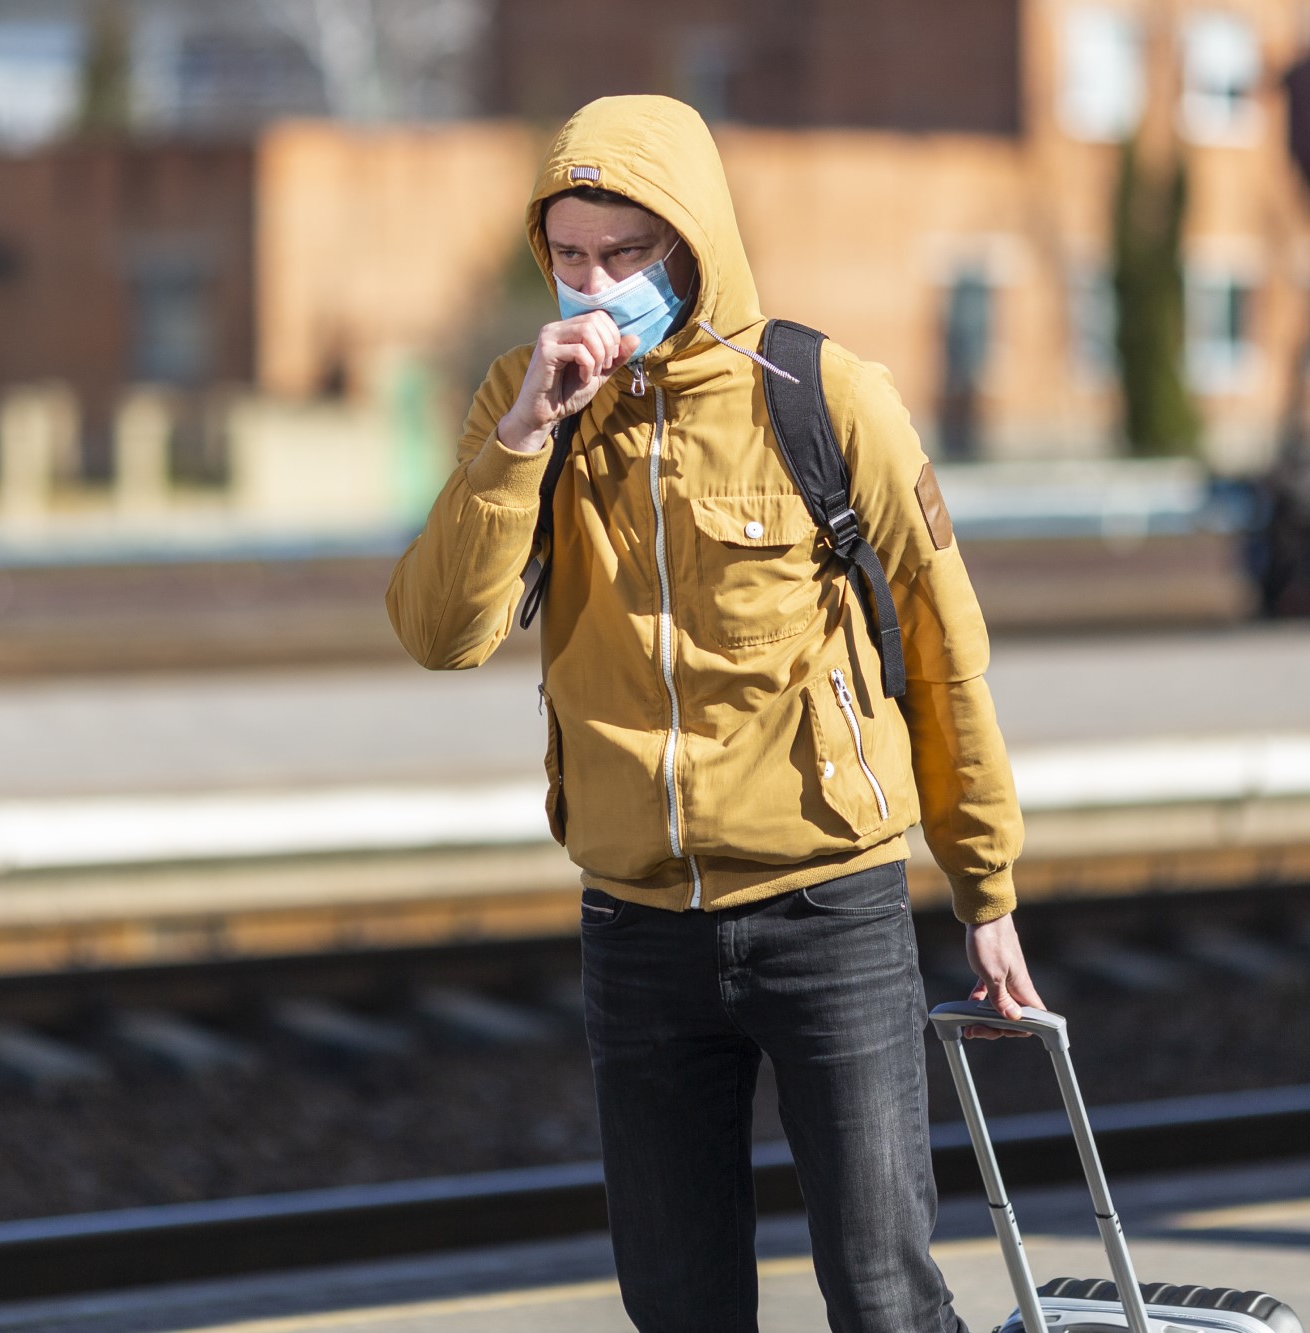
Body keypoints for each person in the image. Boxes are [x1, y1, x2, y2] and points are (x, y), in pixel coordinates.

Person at [385, 95, 1042, 1333]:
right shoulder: (523, 402)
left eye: (627, 254)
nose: (595, 285)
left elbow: (941, 649)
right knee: (677, 1304)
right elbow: (439, 631)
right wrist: (523, 436)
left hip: (826, 909)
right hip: (635, 928)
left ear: (691, 246)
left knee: (884, 1297)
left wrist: (983, 885)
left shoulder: (822, 394)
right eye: (569, 255)